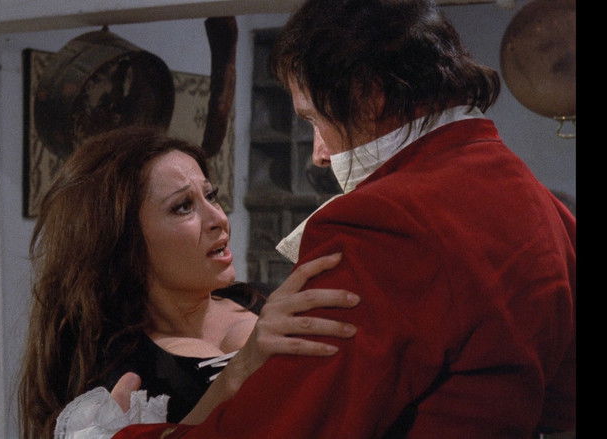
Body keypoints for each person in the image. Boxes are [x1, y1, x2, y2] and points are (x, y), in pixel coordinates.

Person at [114, 0, 576, 437]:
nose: (318, 154)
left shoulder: (383, 225)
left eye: (315, 119)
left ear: (367, 96)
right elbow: (563, 401)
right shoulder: (538, 202)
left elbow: (286, 427)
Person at [17, 125, 361, 438]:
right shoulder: (120, 375)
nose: (218, 219)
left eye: (210, 196)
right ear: (123, 241)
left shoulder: (268, 300)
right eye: (182, 207)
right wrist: (238, 371)